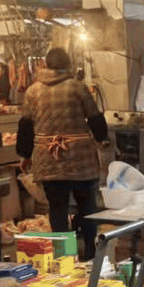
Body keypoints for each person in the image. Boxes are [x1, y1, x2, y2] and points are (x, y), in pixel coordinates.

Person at [16, 47, 109, 259]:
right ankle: (91, 255)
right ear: (67, 64)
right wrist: (102, 138)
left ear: (46, 65)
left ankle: (65, 257)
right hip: (81, 160)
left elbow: (25, 126)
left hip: (49, 158)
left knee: (57, 209)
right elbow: (94, 116)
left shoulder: (33, 91)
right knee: (87, 207)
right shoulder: (77, 87)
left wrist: (25, 155)